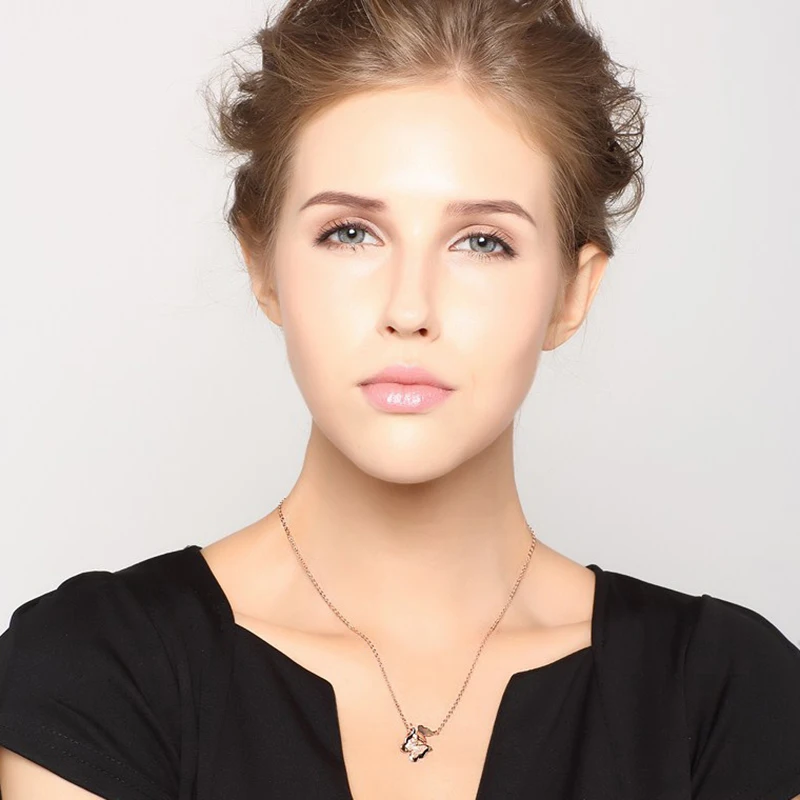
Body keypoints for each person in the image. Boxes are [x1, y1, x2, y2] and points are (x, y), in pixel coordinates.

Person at [1, 0, 799, 797]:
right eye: (350, 232)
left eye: (482, 241)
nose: (409, 309)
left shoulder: (729, 696)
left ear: (572, 293)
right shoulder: (94, 671)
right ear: (262, 265)